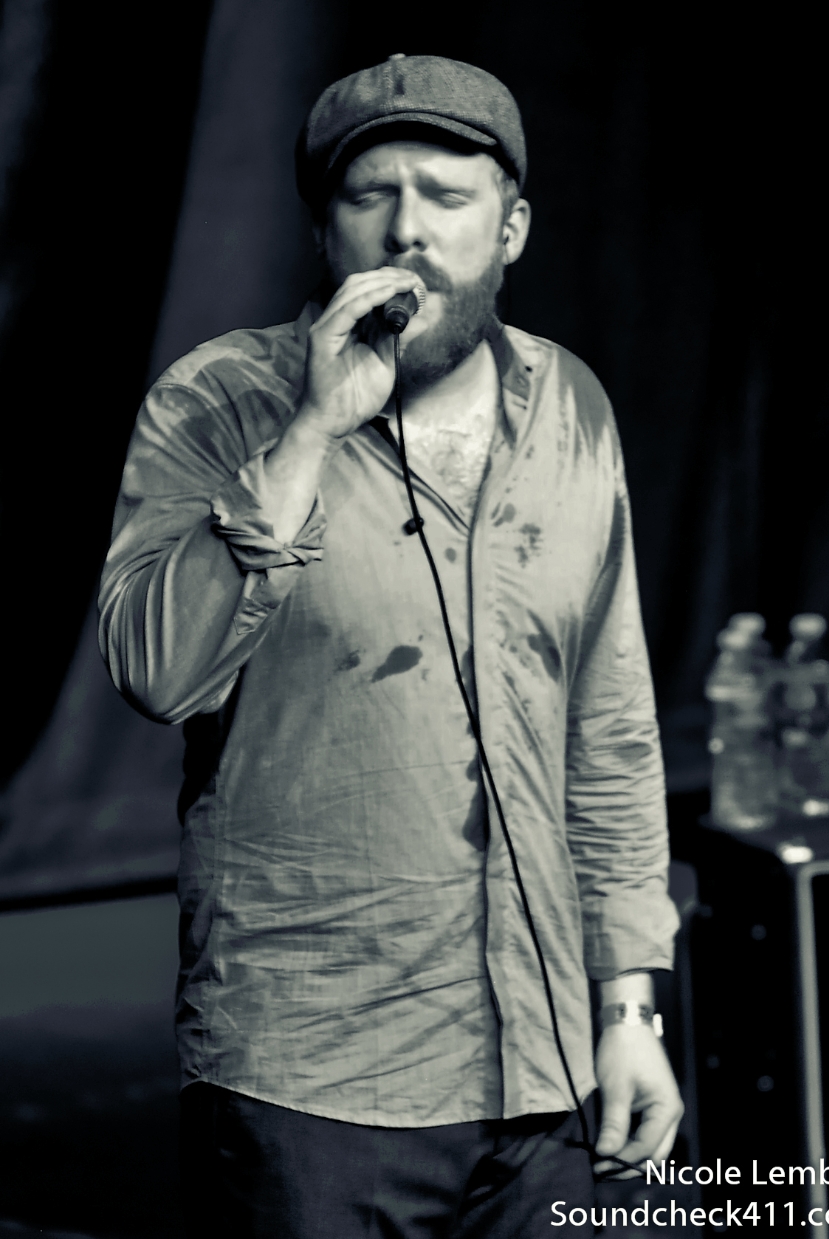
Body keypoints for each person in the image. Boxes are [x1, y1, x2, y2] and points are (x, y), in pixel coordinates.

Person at [100, 53, 682, 1239]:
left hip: (548, 1068)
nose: (407, 229)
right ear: (326, 229)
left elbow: (609, 728)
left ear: (510, 229)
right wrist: (313, 430)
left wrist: (629, 1010)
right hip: (312, 1081)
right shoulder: (217, 401)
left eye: (446, 195)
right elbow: (154, 673)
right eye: (371, 195)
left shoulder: (572, 405)